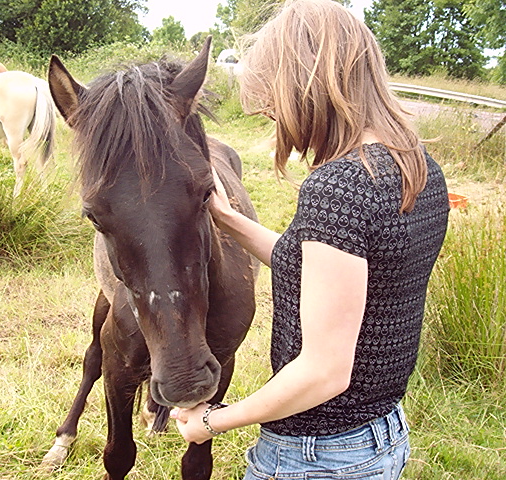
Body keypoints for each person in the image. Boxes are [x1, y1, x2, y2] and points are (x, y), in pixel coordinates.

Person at [170, 1, 450, 478]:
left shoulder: (337, 187)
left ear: (304, 87)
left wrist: (212, 421)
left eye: (274, 108)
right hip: (381, 436)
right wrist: (228, 218)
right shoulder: (416, 165)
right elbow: (329, 271)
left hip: (317, 457)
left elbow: (323, 371)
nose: (278, 124)